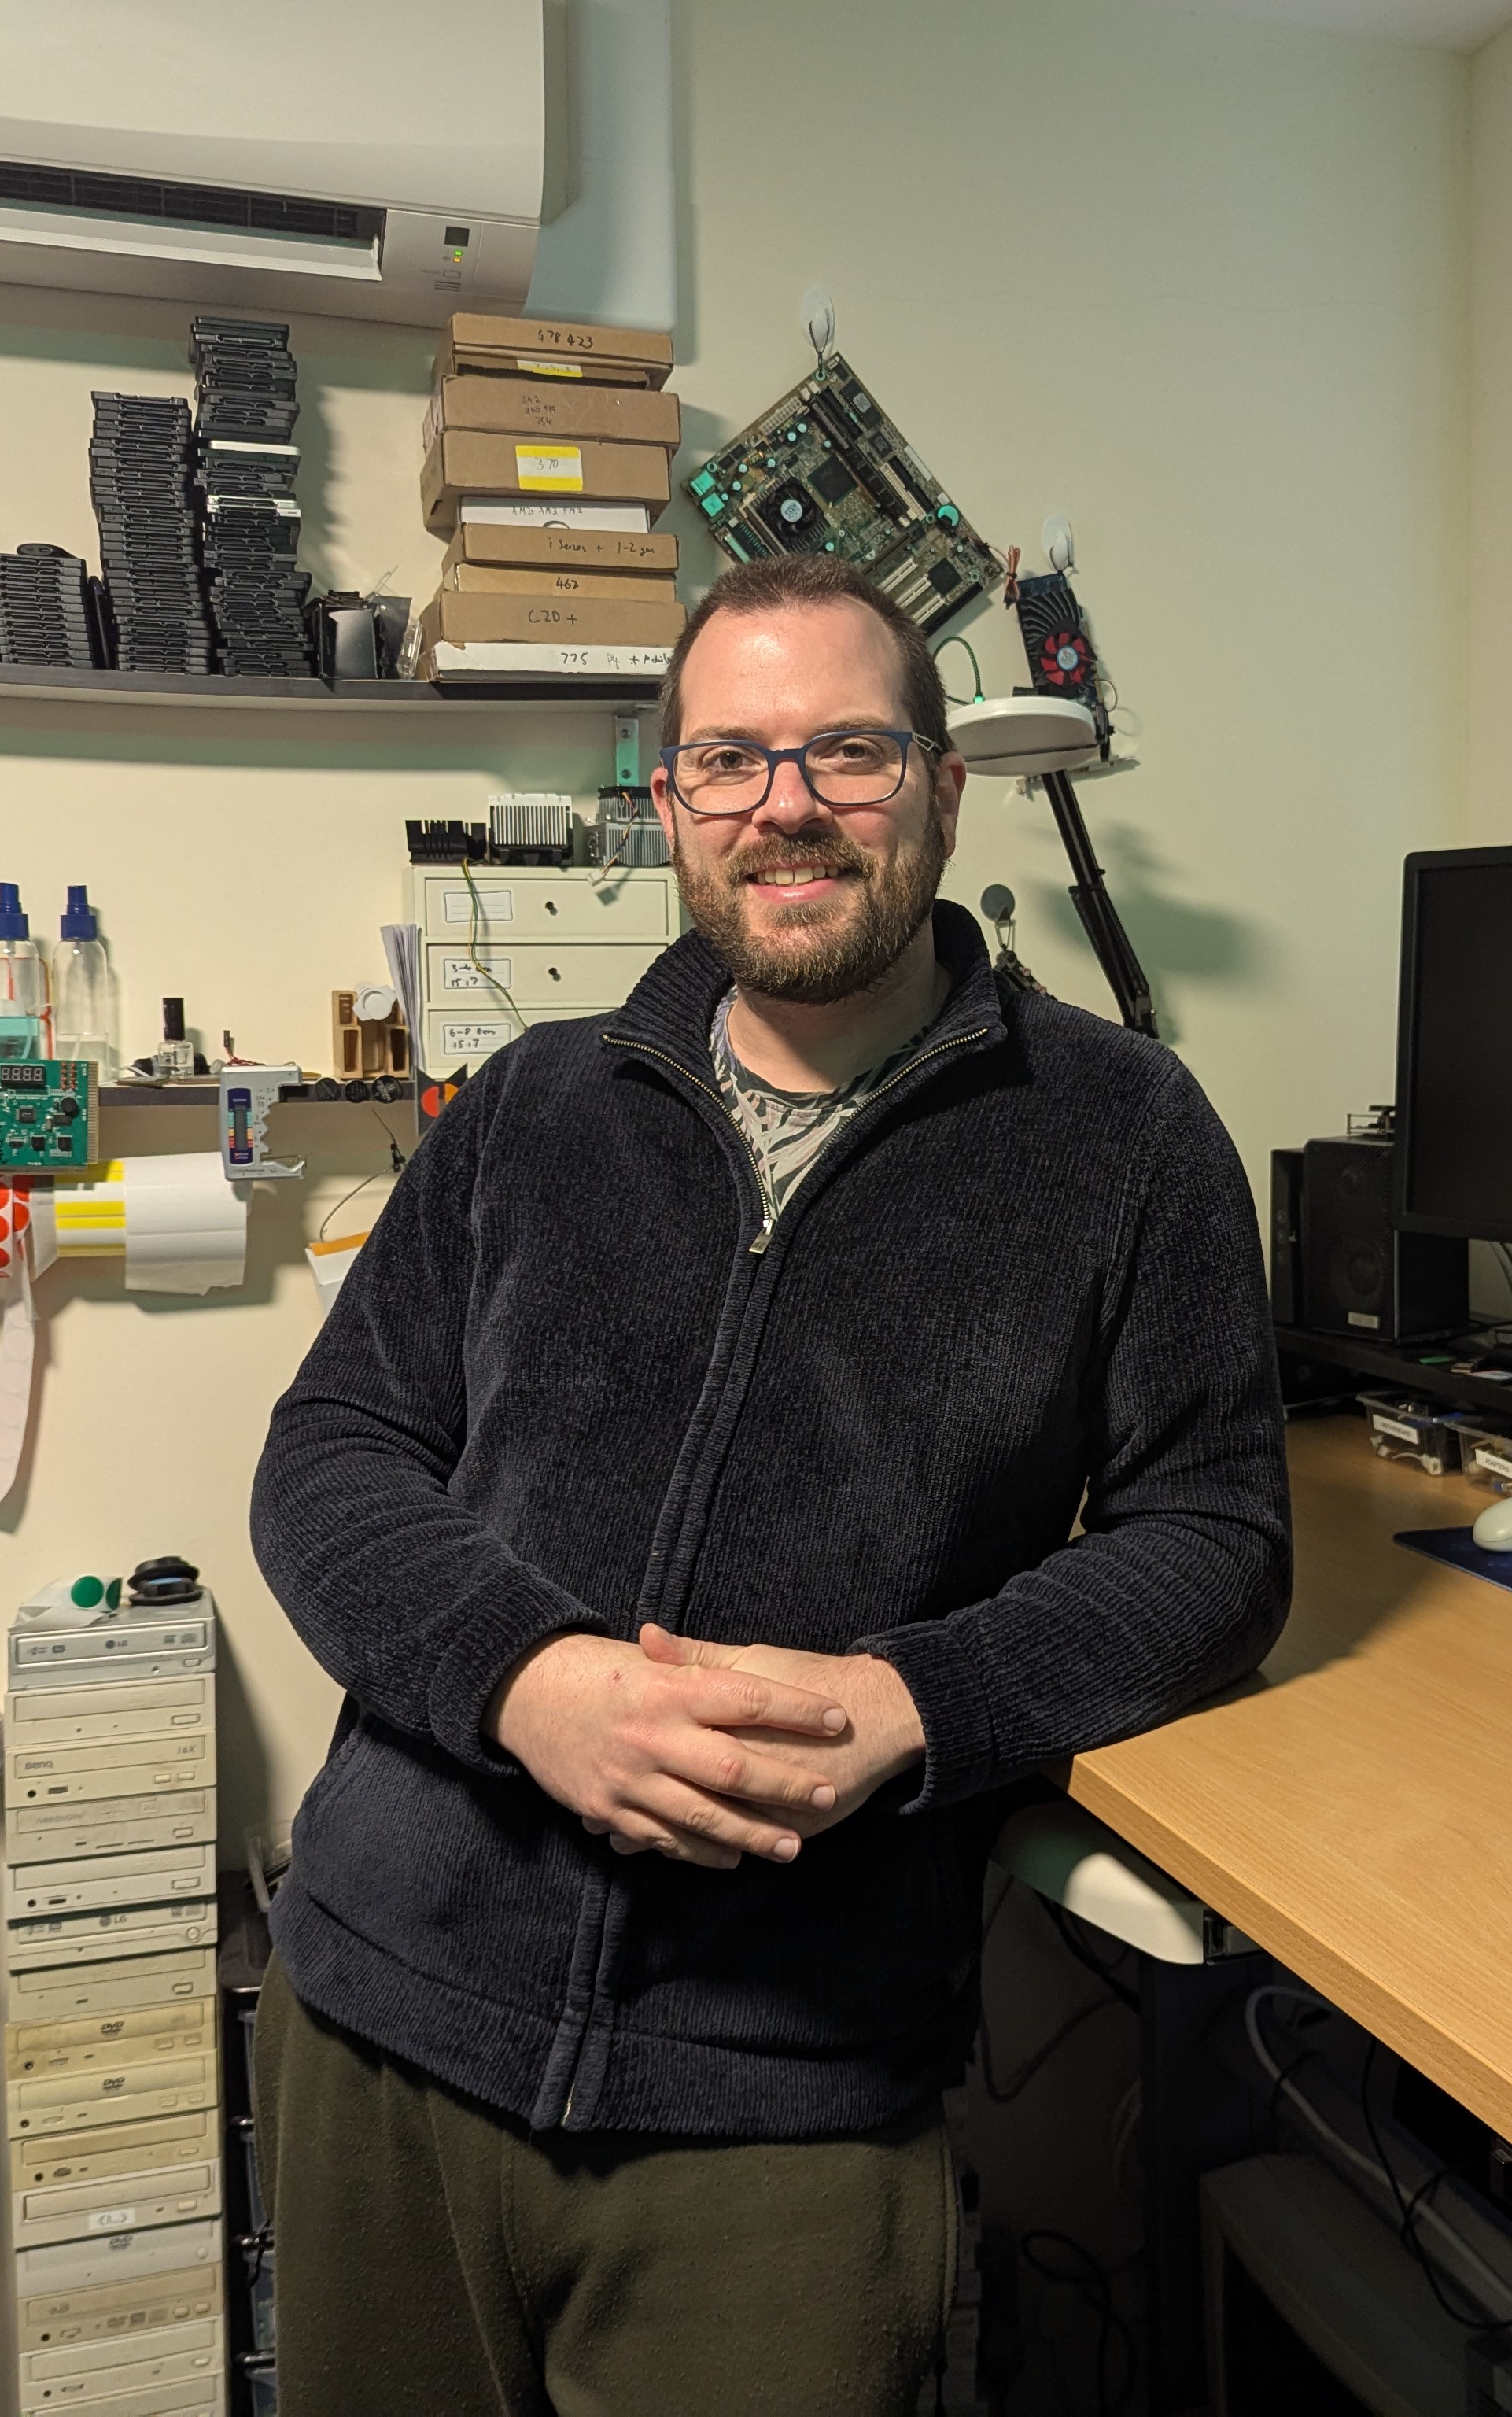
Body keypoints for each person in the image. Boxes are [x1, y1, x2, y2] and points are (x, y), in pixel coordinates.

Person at [247, 548, 1291, 2415]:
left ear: (947, 788)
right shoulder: (531, 1108)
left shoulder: (1126, 1136)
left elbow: (1215, 1539)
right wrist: (529, 1684)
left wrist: (920, 1701)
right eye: (727, 760)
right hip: (381, 2024)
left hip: (786, 2103)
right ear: (668, 804)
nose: (784, 804)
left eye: (848, 753)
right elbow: (332, 1455)